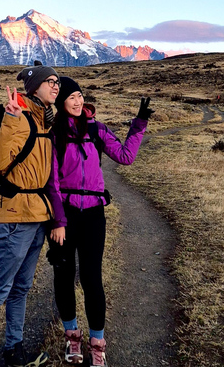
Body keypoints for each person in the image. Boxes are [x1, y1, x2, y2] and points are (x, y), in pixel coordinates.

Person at [46, 76, 153, 367]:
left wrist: (139, 124)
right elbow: (52, 182)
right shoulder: (54, 136)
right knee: (64, 277)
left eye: (80, 95)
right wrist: (58, 220)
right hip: (64, 217)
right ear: (61, 102)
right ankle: (72, 338)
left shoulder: (97, 130)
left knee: (93, 279)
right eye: (71, 98)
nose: (78, 101)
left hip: (94, 215)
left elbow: (126, 156)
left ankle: (97, 343)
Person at [0, 62, 60, 367]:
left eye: (57, 82)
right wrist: (10, 118)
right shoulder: (21, 116)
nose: (56, 86)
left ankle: (14, 349)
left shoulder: (45, 119)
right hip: (13, 216)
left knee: (21, 288)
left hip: (36, 216)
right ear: (35, 86)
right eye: (50, 81)